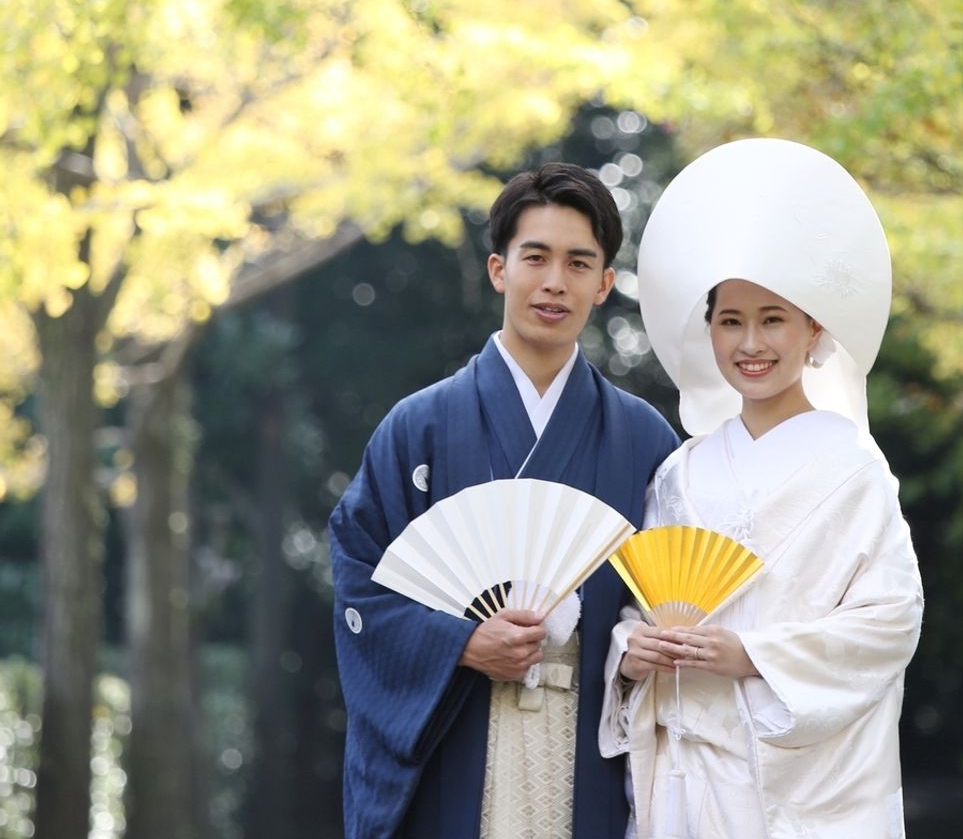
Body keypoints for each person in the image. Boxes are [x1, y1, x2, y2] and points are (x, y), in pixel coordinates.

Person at [330, 162, 680, 839]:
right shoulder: (418, 428)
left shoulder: (644, 441)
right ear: (499, 269)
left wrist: (634, 649)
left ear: (605, 284)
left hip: (587, 748)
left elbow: (667, 602)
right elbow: (360, 589)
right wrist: (459, 642)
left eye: (579, 263)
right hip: (456, 740)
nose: (555, 282)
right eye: (535, 257)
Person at [599, 138, 924, 839]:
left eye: (773, 319)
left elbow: (891, 620)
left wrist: (750, 655)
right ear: (709, 332)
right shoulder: (682, 471)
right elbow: (640, 604)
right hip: (686, 780)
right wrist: (632, 651)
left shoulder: (853, 467)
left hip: (792, 781)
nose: (751, 343)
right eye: (731, 322)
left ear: (812, 330)